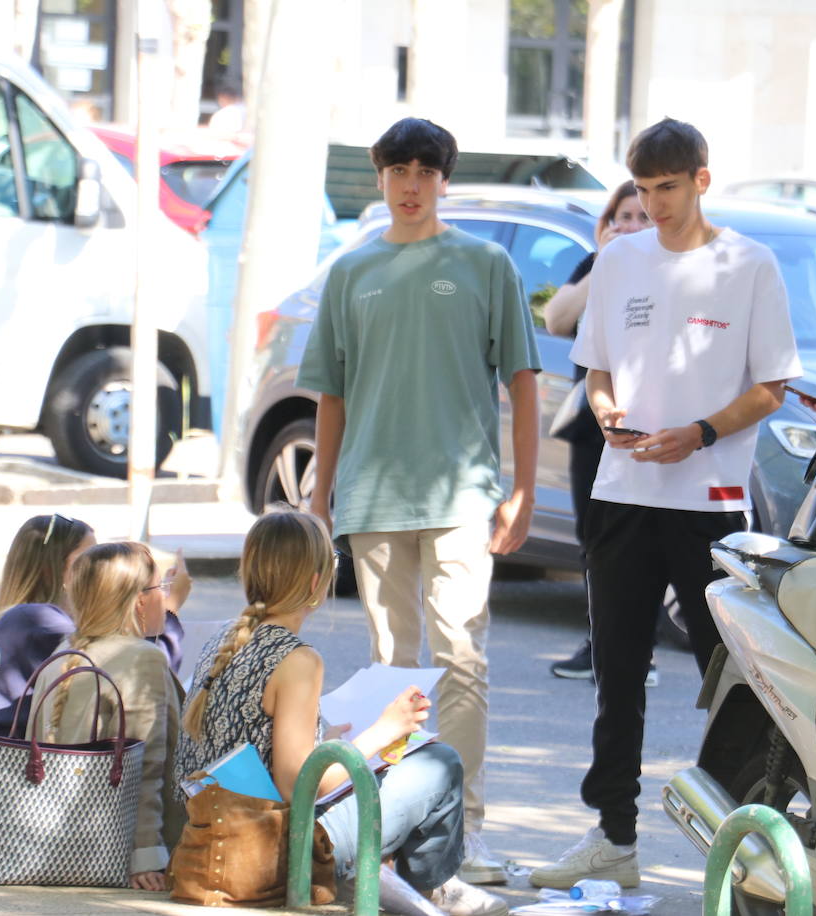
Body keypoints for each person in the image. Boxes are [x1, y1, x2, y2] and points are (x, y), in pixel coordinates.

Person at [530, 117, 801, 888]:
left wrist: (701, 432)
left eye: (668, 188)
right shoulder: (619, 260)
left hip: (710, 502)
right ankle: (614, 838)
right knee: (617, 676)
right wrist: (610, 412)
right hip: (621, 494)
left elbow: (772, 387)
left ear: (702, 180)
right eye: (644, 190)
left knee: (735, 682)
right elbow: (599, 369)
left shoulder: (750, 264)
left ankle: (756, 849)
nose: (653, 205)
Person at [298, 117, 541, 886]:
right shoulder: (349, 271)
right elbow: (331, 394)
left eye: (424, 170)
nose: (410, 183)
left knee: (463, 659)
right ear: (380, 178)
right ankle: (397, 828)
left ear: (444, 180)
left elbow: (524, 381)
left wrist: (524, 488)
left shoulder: (485, 263)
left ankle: (463, 833)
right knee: (391, 670)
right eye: (397, 169)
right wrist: (320, 490)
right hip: (372, 494)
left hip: (463, 492)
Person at [175, 508, 506, 916]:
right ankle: (432, 887)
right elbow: (296, 787)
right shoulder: (296, 660)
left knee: (394, 760)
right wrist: (382, 732)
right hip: (273, 844)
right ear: (316, 583)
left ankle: (413, 886)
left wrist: (331, 745)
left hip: (208, 829)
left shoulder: (226, 637)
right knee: (440, 762)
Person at [542, 181, 656, 685]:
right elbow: (556, 319)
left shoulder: (667, 270)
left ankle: (638, 651)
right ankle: (600, 644)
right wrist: (603, 261)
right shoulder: (596, 266)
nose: (629, 227)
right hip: (593, 426)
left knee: (642, 542)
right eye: (620, 218)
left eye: (640, 217)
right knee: (594, 538)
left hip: (649, 423)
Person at [28, 541, 185, 891]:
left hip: (56, 836)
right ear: (141, 601)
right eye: (161, 588)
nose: (166, 596)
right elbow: (147, 763)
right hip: (113, 845)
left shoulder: (65, 651)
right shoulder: (143, 658)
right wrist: (146, 855)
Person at [0, 514, 190, 737]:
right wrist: (166, 612)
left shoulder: (16, 618)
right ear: (52, 569)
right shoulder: (40, 623)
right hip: (31, 767)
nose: (99, 567)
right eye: (86, 558)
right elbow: (139, 683)